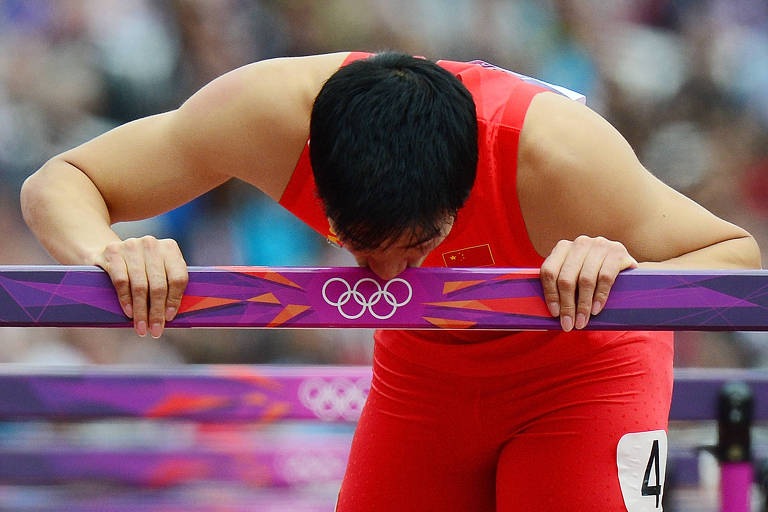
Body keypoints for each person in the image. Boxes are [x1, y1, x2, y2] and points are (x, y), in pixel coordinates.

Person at [21, 51, 761, 511]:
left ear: (464, 187)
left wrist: (626, 269)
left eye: (420, 246)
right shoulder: (266, 114)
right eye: (359, 245)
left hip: (583, 376)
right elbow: (63, 179)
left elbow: (735, 255)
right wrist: (110, 255)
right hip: (422, 376)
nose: (387, 273)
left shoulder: (558, 157)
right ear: (312, 167)